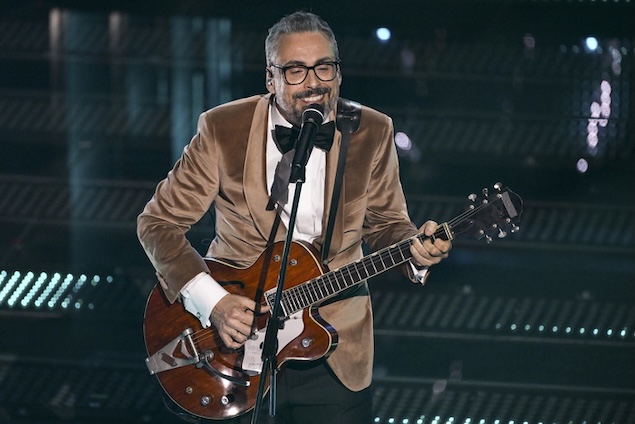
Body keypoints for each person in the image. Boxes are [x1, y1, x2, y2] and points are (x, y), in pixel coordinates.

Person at [137, 11, 451, 424]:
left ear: (338, 74)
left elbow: (386, 222)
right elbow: (158, 224)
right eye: (296, 71)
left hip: (334, 352)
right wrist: (213, 303)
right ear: (271, 78)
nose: (313, 83)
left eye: (324, 67)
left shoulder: (371, 131)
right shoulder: (222, 128)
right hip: (227, 344)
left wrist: (414, 249)